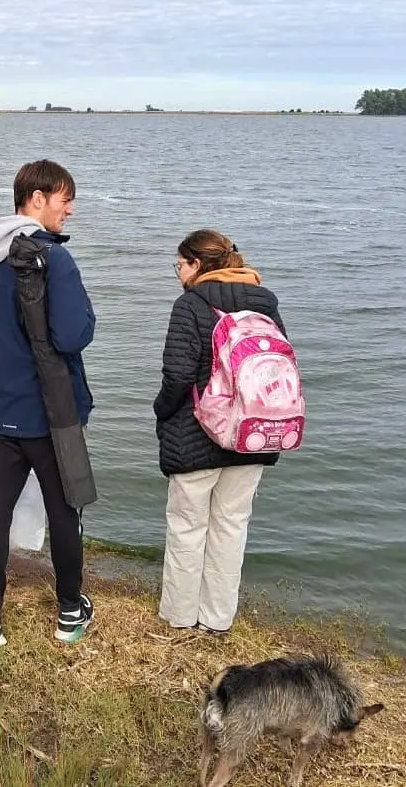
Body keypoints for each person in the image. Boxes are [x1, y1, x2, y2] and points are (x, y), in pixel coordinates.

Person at [0, 160, 96, 648]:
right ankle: (68, 615)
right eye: (65, 200)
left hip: (0, 412)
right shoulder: (54, 259)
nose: (70, 210)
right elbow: (73, 334)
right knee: (65, 513)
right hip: (54, 415)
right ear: (35, 199)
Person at [154, 229, 286, 634]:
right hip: (252, 434)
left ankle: (179, 618)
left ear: (197, 265)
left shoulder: (190, 304)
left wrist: (161, 413)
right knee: (232, 527)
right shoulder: (265, 301)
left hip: (197, 435)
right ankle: (217, 621)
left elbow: (177, 376)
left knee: (187, 527)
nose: (178, 272)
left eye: (179, 264)